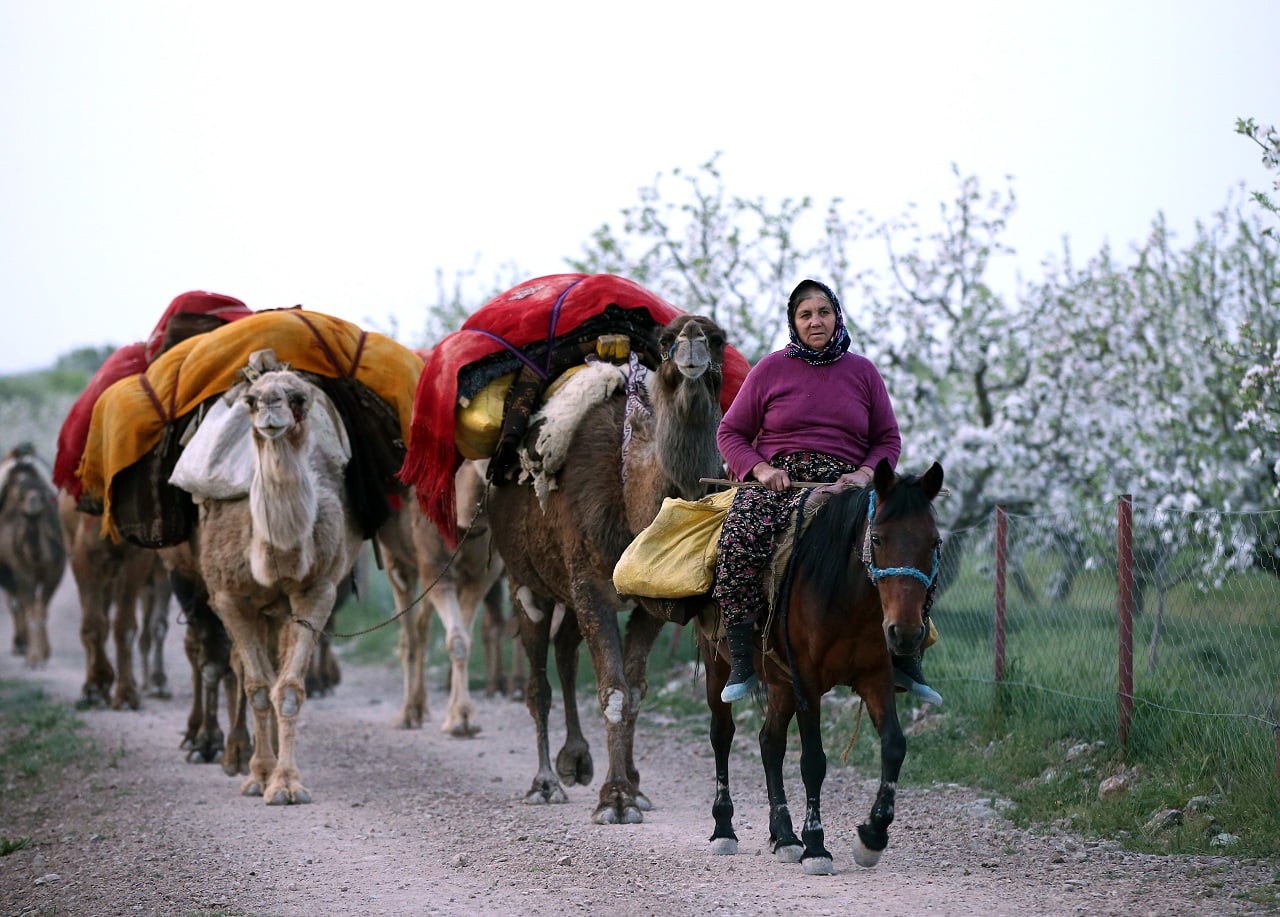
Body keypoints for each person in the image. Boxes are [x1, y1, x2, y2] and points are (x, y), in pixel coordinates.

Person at [712, 278, 942, 706]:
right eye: (805, 315)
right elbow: (731, 432)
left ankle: (906, 659)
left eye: (823, 312)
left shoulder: (863, 372)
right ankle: (743, 656)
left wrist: (865, 473)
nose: (815, 321)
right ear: (793, 322)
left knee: (914, 542)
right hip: (781, 479)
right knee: (739, 537)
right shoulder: (769, 369)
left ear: (836, 317)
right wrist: (760, 469)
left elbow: (888, 439)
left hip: (848, 483)